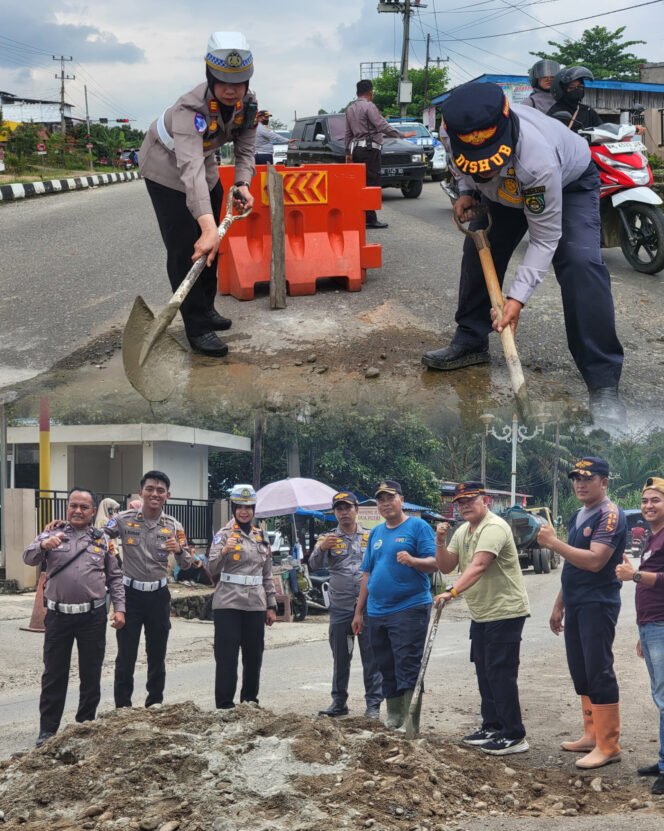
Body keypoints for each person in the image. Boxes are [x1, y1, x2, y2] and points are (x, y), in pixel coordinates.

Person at [421, 82, 624, 425]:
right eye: (478, 165)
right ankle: (471, 340)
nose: (484, 170)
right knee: (479, 247)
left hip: (567, 183)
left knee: (580, 263)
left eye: (490, 163)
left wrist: (515, 300)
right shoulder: (450, 130)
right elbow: (459, 166)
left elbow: (544, 239)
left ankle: (603, 381)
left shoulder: (537, 160)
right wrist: (468, 190)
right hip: (503, 192)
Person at [138, 32, 257, 358]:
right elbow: (188, 170)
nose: (231, 89)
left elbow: (246, 151)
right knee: (186, 247)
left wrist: (242, 183)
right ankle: (197, 327)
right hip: (165, 166)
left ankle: (205, 307)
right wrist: (206, 227)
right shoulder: (189, 108)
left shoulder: (248, 105)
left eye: (239, 82)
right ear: (210, 76)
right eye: (223, 81)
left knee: (212, 243)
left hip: (203, 162)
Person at [538, 456, 627, 769]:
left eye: (588, 478)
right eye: (576, 478)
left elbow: (595, 560)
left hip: (597, 603)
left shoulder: (609, 514)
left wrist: (553, 543)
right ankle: (592, 734)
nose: (580, 484)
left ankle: (608, 744)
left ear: (604, 482)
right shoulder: (579, 514)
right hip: (576, 602)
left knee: (598, 669)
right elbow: (573, 564)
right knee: (581, 670)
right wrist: (559, 603)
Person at [23, 488, 125, 747]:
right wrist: (43, 545)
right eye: (73, 505)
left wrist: (120, 608)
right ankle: (47, 731)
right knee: (54, 675)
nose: (78, 511)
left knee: (90, 674)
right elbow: (28, 557)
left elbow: (115, 577)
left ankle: (85, 726)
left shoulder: (102, 540)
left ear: (93, 512)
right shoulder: (52, 533)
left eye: (84, 507)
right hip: (58, 617)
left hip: (92, 617)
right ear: (67, 507)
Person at [434, 482, 530, 755]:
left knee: (501, 673)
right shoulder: (463, 530)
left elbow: (479, 565)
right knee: (484, 671)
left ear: (485, 501)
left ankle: (514, 734)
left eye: (470, 500)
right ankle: (492, 725)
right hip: (482, 613)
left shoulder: (494, 527)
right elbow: (446, 565)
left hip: (506, 610)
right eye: (460, 502)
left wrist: (452, 592)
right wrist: (440, 541)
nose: (464, 506)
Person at [352, 480, 438, 732]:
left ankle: (410, 723)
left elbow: (436, 563)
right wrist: (359, 612)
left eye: (390, 497)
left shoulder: (418, 527)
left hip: (409, 607)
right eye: (381, 499)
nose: (385, 503)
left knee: (407, 664)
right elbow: (367, 573)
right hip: (377, 611)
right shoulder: (376, 533)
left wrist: (413, 560)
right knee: (385, 664)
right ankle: (394, 716)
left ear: (401, 499)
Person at [104, 470, 191, 709]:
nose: (155, 494)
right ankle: (123, 707)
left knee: (157, 653)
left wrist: (179, 550)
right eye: (150, 489)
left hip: (158, 596)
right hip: (129, 595)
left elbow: (187, 563)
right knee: (126, 654)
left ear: (167, 495)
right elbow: (99, 537)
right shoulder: (123, 519)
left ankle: (155, 703)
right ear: (141, 492)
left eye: (160, 490)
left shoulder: (174, 525)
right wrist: (62, 526)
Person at [309, 491, 382, 719]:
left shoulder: (371, 536)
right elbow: (313, 565)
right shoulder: (327, 538)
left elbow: (380, 565)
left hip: (368, 606)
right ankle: (339, 702)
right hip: (340, 606)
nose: (344, 513)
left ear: (356, 509)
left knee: (371, 657)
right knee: (341, 657)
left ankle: (373, 705)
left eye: (348, 508)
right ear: (334, 513)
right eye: (339, 509)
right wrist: (322, 548)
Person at [207, 484, 277, 709]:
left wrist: (271, 605)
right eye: (239, 507)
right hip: (228, 602)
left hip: (255, 603)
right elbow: (211, 569)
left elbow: (267, 574)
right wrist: (224, 551)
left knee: (254, 656)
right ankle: (224, 705)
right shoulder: (223, 535)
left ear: (254, 509)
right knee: (226, 656)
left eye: (248, 507)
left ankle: (250, 701)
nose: (244, 512)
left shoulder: (261, 536)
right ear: (233, 509)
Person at [616, 476, 664, 795]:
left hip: (661, 625)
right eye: (645, 501)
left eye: (655, 500)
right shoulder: (652, 537)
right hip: (652, 626)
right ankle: (662, 761)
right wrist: (642, 632)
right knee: (660, 696)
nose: (648, 505)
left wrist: (634, 575)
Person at [344, 79, 416, 230]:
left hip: (356, 150)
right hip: (370, 150)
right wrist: (401, 135)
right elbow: (381, 125)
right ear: (371, 92)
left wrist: (348, 153)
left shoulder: (350, 109)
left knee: (361, 184)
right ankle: (370, 219)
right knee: (371, 184)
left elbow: (348, 133)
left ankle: (362, 217)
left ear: (357, 92)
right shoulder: (369, 106)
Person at [549, 67, 602, 133]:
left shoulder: (588, 111)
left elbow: (602, 132)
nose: (577, 89)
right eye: (571, 87)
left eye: (580, 87)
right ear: (562, 89)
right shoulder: (555, 112)